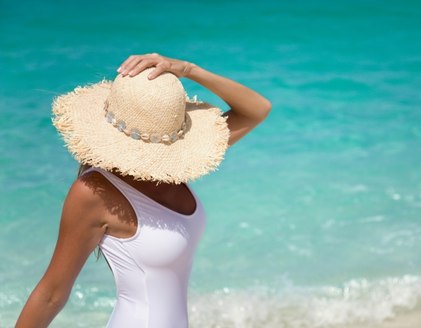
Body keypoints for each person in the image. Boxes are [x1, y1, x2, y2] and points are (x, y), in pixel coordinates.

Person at [15, 53, 272, 328]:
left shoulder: (174, 166)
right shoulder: (92, 192)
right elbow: (51, 294)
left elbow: (257, 109)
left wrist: (188, 69)